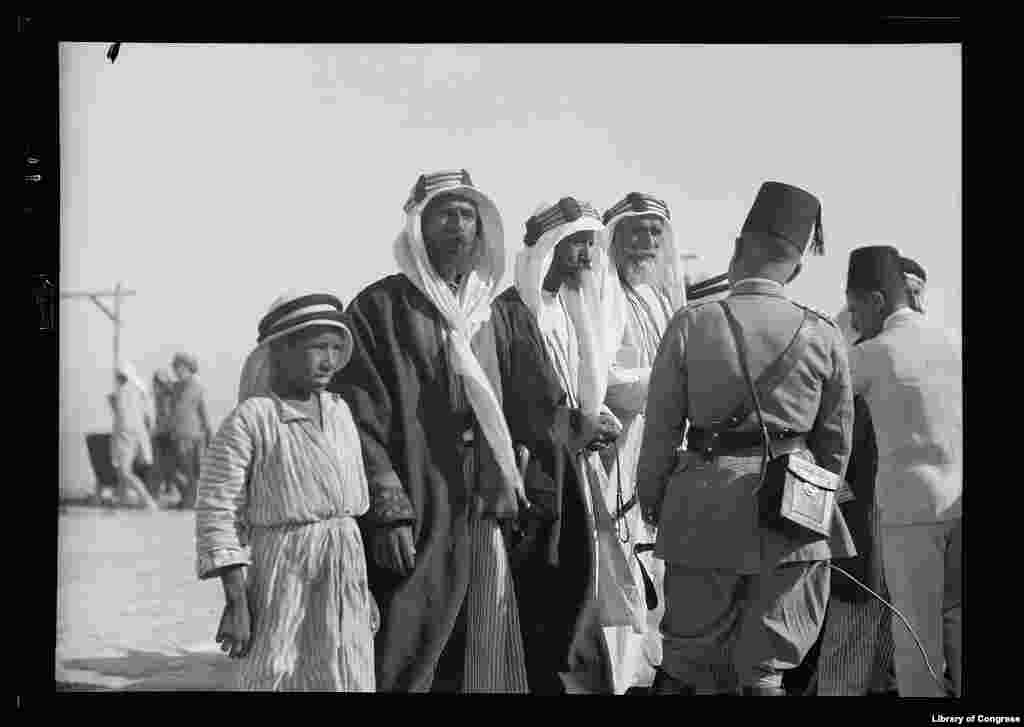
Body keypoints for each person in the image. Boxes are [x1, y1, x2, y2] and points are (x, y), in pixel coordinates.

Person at [636, 181, 857, 696]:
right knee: (766, 670)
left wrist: (654, 501)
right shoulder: (823, 334)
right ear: (797, 268)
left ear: (738, 251)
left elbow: (661, 431)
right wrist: (811, 502)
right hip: (793, 520)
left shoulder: (692, 322)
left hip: (702, 509)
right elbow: (836, 445)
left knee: (687, 662)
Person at [329, 169, 530, 693]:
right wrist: (388, 511)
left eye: (467, 214)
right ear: (418, 227)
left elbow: (526, 405)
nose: (457, 226)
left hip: (485, 497)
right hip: (420, 492)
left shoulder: (495, 313)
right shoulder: (378, 309)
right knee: (410, 629)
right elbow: (358, 417)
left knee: (480, 628)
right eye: (444, 214)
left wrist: (519, 469)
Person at [194, 291, 376, 691]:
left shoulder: (340, 412)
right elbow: (217, 512)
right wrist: (237, 602)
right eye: (316, 348)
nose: (328, 359)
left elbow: (350, 508)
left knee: (347, 672)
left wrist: (363, 589)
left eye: (335, 347)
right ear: (280, 352)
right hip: (283, 572)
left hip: (345, 570)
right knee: (278, 669)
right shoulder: (252, 419)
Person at [490, 196, 627, 695]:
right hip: (535, 487)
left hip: (578, 478)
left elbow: (580, 390)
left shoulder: (573, 312)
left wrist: (597, 421)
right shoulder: (505, 316)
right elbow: (514, 410)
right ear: (548, 250)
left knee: (581, 597)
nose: (588, 255)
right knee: (547, 601)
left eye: (593, 242)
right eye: (576, 244)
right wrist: (575, 427)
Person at [844, 245, 961, 698]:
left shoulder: (876, 352)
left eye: (855, 310)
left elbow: (821, 392)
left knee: (917, 641)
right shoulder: (951, 339)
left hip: (911, 511)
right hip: (959, 500)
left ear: (875, 300)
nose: (854, 322)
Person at [595, 192, 687, 693]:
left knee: (657, 569)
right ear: (615, 238)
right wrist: (673, 377)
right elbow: (603, 380)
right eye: (635, 231)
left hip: (662, 451)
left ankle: (645, 677)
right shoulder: (606, 293)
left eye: (655, 232)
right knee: (621, 571)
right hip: (621, 452)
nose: (646, 242)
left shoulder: (658, 295)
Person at [107, 361, 159, 510]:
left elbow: (123, 417)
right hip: (132, 435)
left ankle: (147, 500)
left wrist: (113, 403)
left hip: (126, 435)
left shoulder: (125, 392)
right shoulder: (137, 391)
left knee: (124, 471)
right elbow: (145, 417)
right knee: (122, 471)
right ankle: (122, 500)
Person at [170, 351, 213, 509]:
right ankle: (189, 498)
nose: (175, 370)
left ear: (188, 366)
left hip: (194, 435)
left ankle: (192, 501)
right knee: (180, 470)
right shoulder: (176, 387)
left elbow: (203, 411)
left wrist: (208, 432)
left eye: (178, 366)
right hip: (178, 435)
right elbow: (173, 411)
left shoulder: (196, 385)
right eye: (174, 367)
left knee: (193, 471)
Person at [148, 367, 177, 499]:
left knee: (163, 465)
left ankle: (165, 490)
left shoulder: (166, 397)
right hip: (162, 433)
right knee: (162, 466)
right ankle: (163, 490)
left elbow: (167, 417)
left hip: (166, 434)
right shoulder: (159, 397)